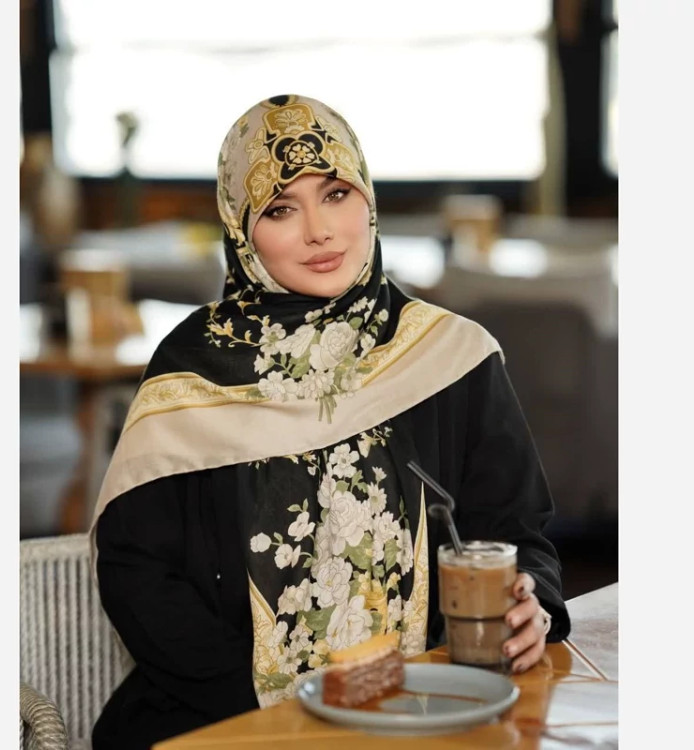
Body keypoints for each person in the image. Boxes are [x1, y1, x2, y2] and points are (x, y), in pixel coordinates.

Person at [90, 94, 570, 750]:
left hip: (425, 713)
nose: (320, 231)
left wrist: (530, 604)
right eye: (281, 209)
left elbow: (515, 533)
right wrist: (271, 712)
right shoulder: (190, 372)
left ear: (369, 200)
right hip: (227, 722)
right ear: (241, 229)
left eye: (337, 194)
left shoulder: (452, 357)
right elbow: (138, 573)